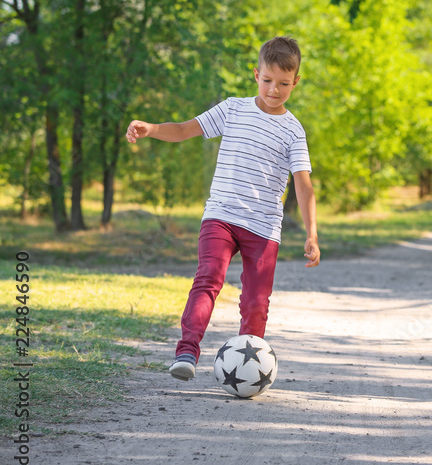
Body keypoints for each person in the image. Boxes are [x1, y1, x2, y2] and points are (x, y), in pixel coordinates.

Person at [126, 36, 320, 380]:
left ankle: (248, 371)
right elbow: (186, 129)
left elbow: (304, 185)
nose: (274, 89)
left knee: (257, 302)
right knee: (208, 279)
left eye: (284, 84)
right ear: (256, 74)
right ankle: (187, 351)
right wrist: (153, 128)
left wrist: (311, 234)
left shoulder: (294, 131)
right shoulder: (232, 109)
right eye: (267, 80)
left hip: (263, 228)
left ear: (296, 82)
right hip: (221, 217)